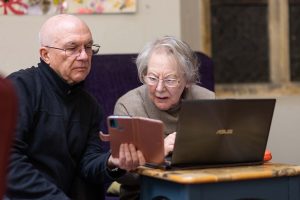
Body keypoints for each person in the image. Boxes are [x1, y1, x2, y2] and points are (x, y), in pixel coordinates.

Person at [5, 14, 145, 200]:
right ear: (45, 55)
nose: (84, 56)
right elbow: (8, 161)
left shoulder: (90, 105)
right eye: (72, 48)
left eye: (88, 47)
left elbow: (87, 164)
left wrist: (112, 161)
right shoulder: (20, 88)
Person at [113, 35, 215, 199]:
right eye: (152, 78)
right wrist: (157, 153)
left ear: (187, 80)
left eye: (170, 79)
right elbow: (122, 175)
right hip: (144, 193)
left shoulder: (208, 102)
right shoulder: (128, 107)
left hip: (199, 190)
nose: (159, 88)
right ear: (144, 74)